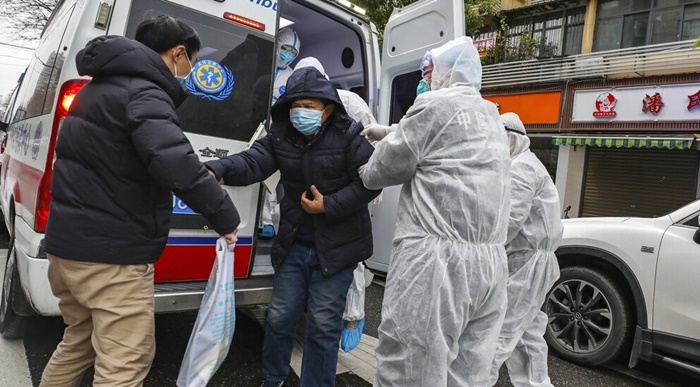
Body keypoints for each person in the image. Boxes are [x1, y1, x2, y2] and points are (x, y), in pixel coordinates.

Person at [40, 16, 240, 386]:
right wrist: (226, 217)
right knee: (125, 364)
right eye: (191, 63)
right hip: (110, 257)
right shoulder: (144, 93)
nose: (189, 72)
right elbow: (177, 163)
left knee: (78, 343)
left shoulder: (96, 89)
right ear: (178, 53)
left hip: (67, 249)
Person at [205, 66, 380, 387]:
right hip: (295, 245)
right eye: (295, 106)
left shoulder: (350, 136)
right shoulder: (281, 136)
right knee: (280, 318)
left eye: (309, 107)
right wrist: (218, 168)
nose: (300, 113)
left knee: (323, 327)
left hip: (337, 250)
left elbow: (371, 184)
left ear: (327, 110)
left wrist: (329, 204)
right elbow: (252, 161)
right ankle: (272, 379)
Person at [358, 36, 511, 386]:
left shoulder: (433, 105)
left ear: (447, 72)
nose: (424, 80)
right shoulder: (491, 116)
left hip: (437, 265)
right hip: (489, 266)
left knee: (410, 362)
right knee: (468, 369)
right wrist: (394, 130)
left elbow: (382, 170)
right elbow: (445, 142)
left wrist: (363, 170)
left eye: (428, 72)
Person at [293, 56, 376, 352]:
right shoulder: (295, 104)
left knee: (347, 257)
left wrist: (366, 185)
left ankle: (353, 317)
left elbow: (371, 144)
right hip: (313, 192)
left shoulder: (350, 103)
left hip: (348, 189)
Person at [489, 112, 562, 387]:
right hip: (528, 261)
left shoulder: (522, 169)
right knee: (527, 331)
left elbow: (509, 222)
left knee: (499, 331)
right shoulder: (522, 165)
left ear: (514, 139)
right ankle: (538, 383)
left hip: (527, 263)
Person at [259, 27, 302, 239]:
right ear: (277, 44)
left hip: (276, 132)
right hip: (253, 127)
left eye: (293, 53)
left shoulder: (291, 77)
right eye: (285, 48)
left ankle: (267, 223)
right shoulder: (260, 63)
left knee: (270, 178)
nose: (288, 55)